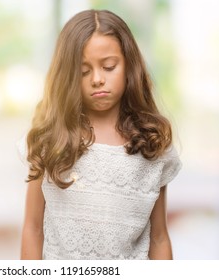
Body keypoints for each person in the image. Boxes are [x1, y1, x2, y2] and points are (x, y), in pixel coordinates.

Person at [18, 9, 181, 260]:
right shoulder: (49, 140)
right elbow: (32, 228)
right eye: (84, 71)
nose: (97, 79)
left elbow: (159, 237)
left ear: (129, 66)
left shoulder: (153, 143)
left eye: (109, 67)